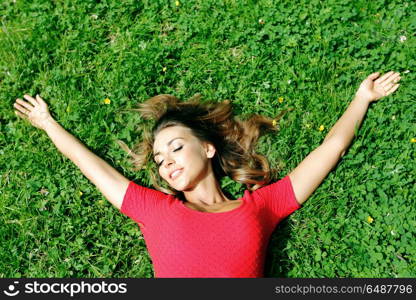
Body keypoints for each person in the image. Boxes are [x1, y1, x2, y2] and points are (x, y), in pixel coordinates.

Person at [13, 71, 401, 278]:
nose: (167, 163)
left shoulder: (261, 206)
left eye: (176, 148)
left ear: (208, 149)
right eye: (161, 160)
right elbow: (94, 169)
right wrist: (47, 124)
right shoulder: (155, 209)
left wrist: (360, 99)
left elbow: (329, 150)